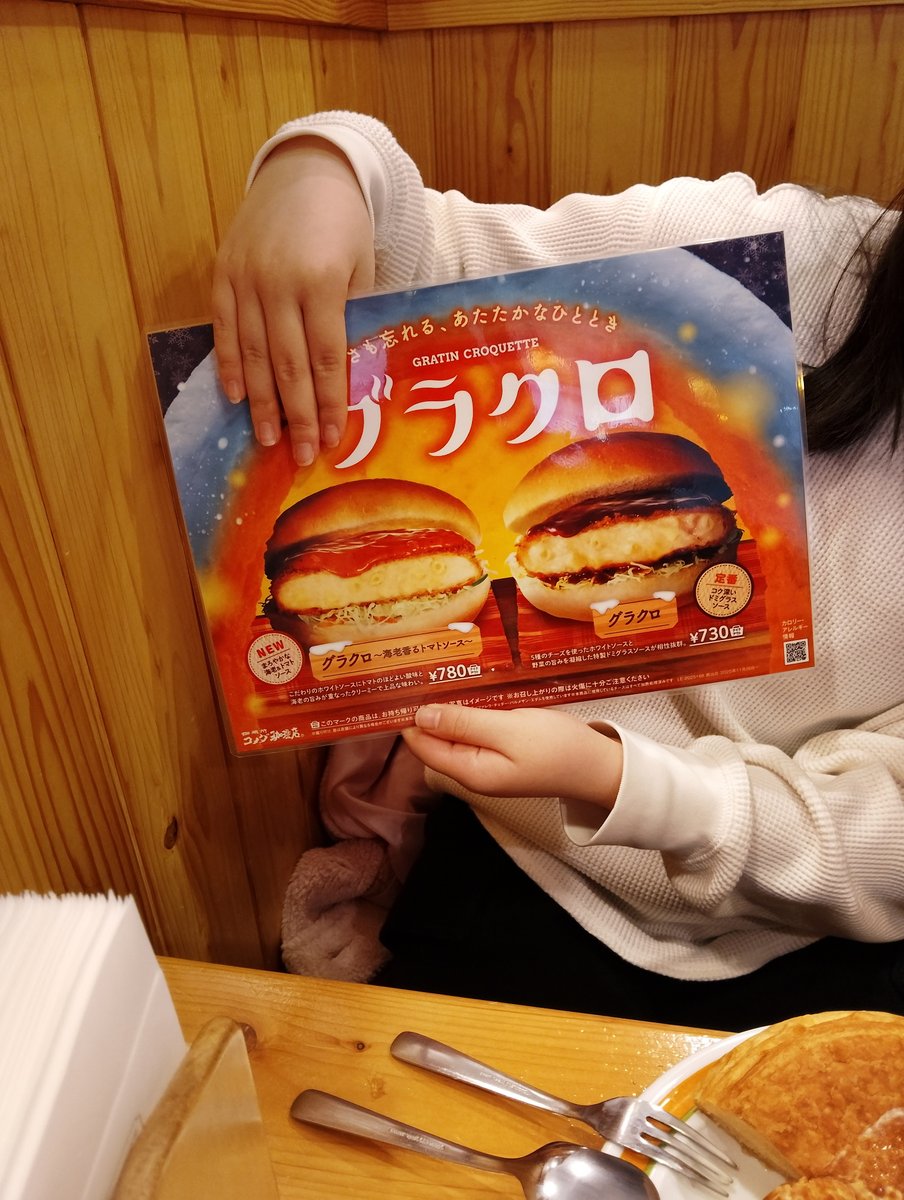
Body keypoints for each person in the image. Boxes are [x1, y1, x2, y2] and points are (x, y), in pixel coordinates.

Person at [212, 111, 904, 1031]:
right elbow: (435, 251)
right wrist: (324, 168)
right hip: (535, 848)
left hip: (817, 922)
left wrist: (621, 779)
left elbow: (882, 837)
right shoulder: (788, 258)